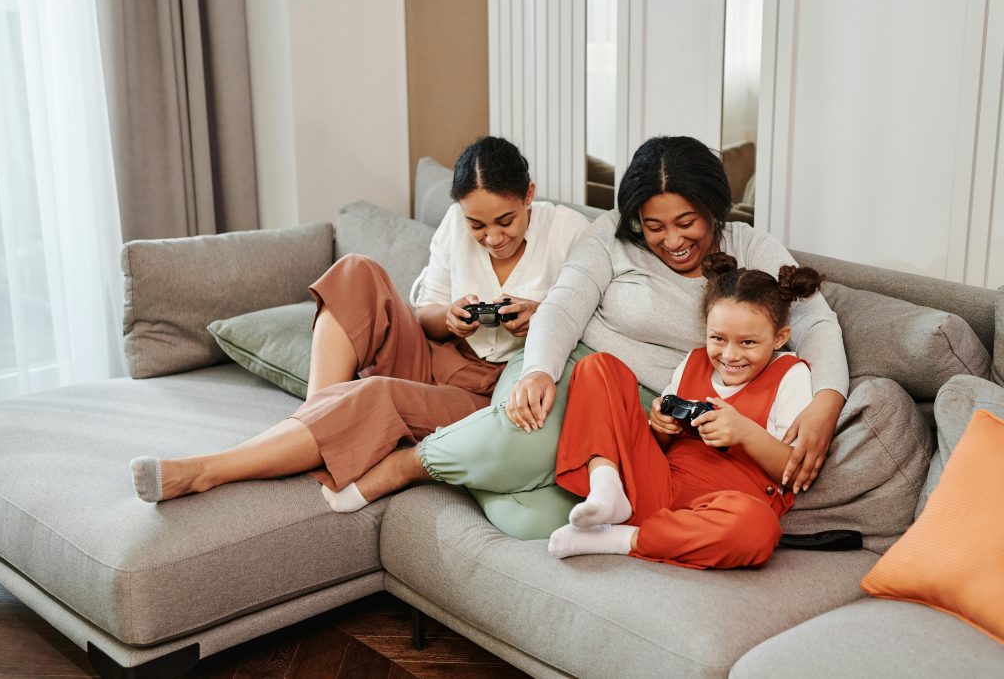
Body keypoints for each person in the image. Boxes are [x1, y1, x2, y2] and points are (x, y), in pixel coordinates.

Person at [340, 135, 848, 540]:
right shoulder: (609, 235)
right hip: (576, 367)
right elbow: (562, 306)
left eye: (686, 222)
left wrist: (826, 402)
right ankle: (406, 466)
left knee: (531, 523)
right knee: (511, 447)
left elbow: (814, 323)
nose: (672, 241)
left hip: (643, 411)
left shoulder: (752, 247)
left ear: (715, 208)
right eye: (653, 226)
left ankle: (475, 466)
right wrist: (539, 370)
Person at [129, 136, 589, 504]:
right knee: (355, 270)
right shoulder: (454, 223)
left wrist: (541, 317)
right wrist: (448, 319)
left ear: (529, 194)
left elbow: (592, 322)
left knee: (374, 393)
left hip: (484, 394)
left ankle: (206, 471)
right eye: (477, 225)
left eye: (505, 221)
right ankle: (314, 418)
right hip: (436, 355)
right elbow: (423, 313)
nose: (492, 237)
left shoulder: (570, 234)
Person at [546, 252, 821, 568]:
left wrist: (744, 431)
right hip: (657, 485)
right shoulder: (693, 361)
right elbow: (658, 447)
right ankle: (605, 488)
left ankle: (621, 539)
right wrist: (661, 428)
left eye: (747, 343)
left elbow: (794, 470)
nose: (730, 355)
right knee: (597, 367)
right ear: (705, 327)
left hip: (721, 509)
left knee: (758, 528)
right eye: (718, 338)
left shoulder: (790, 373)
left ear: (779, 338)